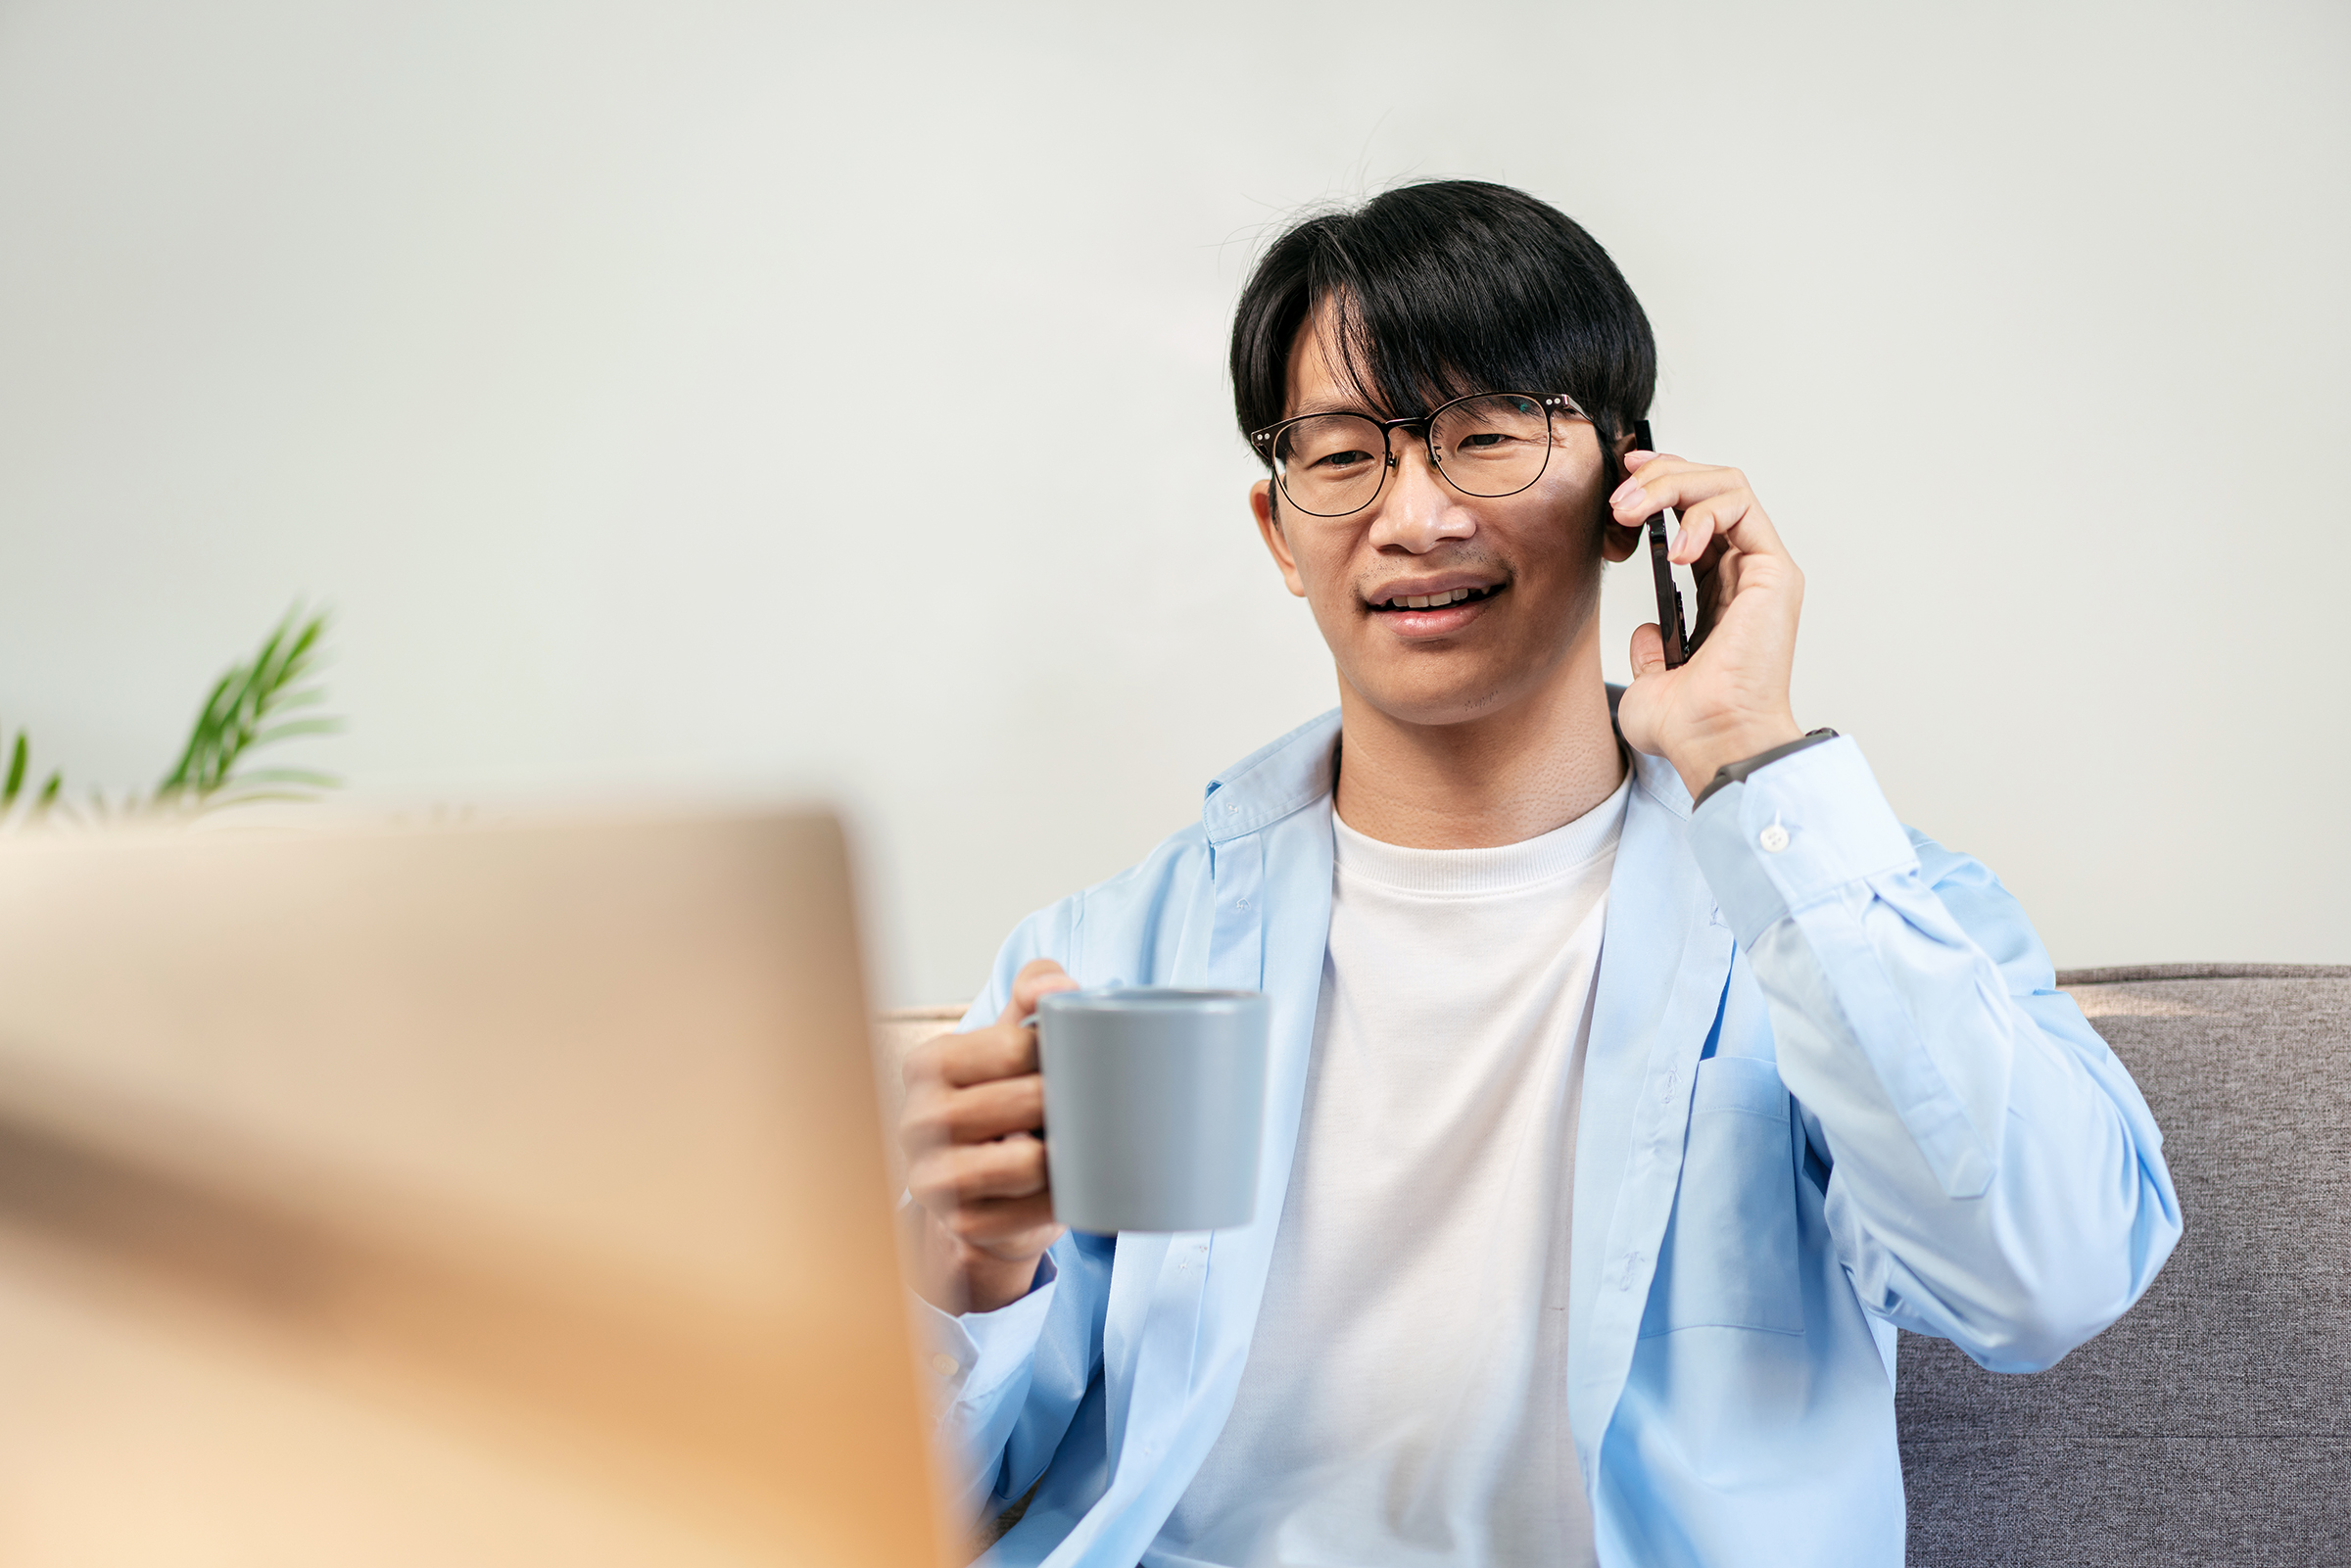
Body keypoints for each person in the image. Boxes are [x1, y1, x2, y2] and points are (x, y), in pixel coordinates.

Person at [894, 180, 2181, 1568]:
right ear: (1279, 530)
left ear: (1634, 495)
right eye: (1345, 457)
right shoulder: (1106, 958)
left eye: (1484, 438)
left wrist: (1751, 753)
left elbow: (2050, 1278)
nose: (1415, 515)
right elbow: (902, 1503)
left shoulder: (1840, 903)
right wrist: (963, 1273)